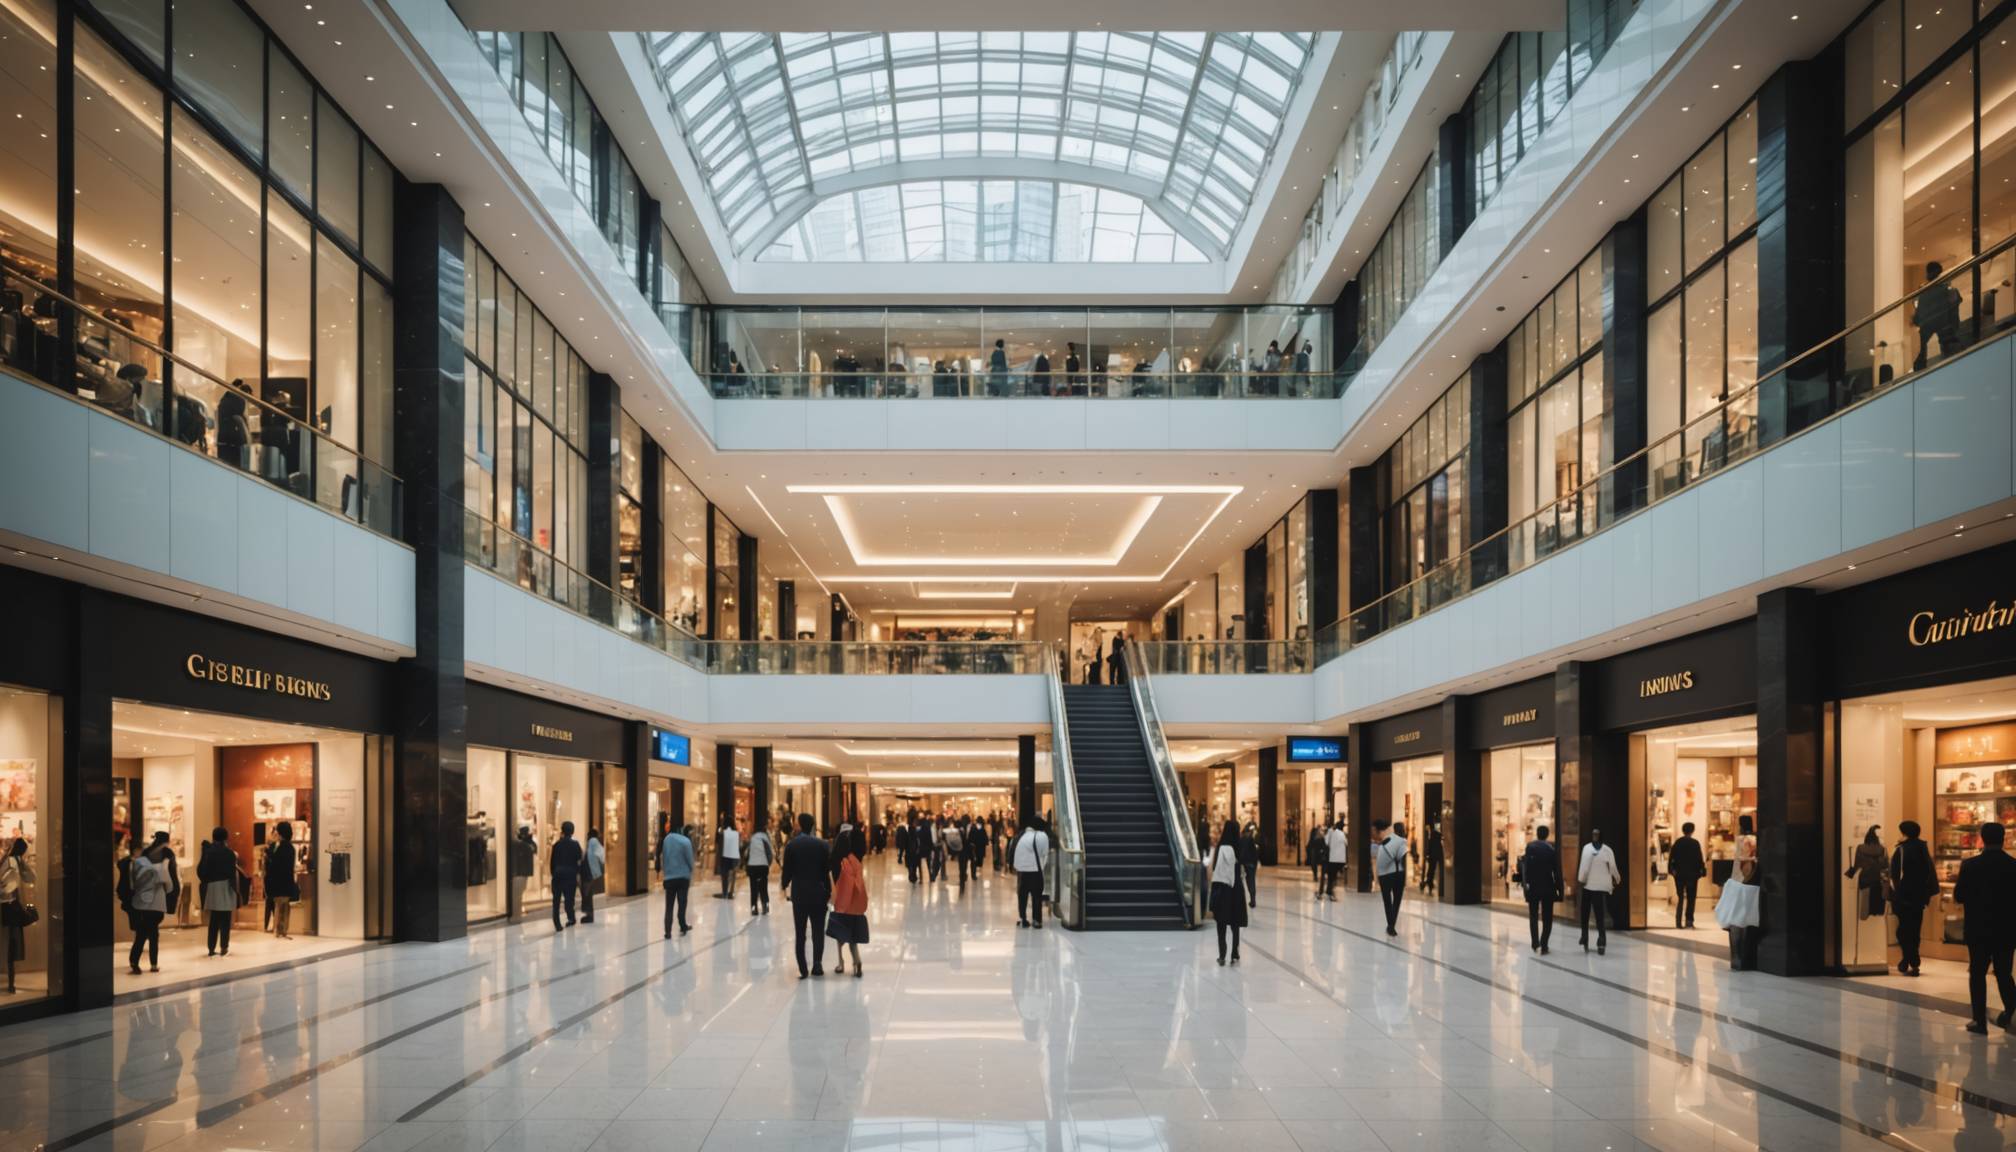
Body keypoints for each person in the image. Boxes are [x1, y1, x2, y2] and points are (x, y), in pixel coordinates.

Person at [1952, 820, 2016, 1034]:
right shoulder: (2013, 865)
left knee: (1978, 972)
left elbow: (1959, 896)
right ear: (2004, 839)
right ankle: (2010, 1015)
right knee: (2004, 973)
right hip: (2007, 927)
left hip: (1978, 926)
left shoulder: (1970, 865)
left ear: (1982, 837)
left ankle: (1979, 1021)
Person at [781, 813, 832, 978]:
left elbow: (787, 871)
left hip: (800, 896)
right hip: (818, 894)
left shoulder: (792, 846)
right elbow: (826, 872)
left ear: (799, 825)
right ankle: (817, 964)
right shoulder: (822, 845)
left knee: (800, 933)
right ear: (813, 826)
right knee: (818, 931)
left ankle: (803, 967)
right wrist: (829, 891)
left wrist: (783, 885)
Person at [1891, 820, 1938, 978]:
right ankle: (1911, 959)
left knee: (1903, 929)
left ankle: (1911, 958)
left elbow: (1895, 875)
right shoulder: (1922, 848)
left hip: (1904, 896)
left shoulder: (1902, 850)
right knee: (1914, 929)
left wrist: (1896, 893)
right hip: (1920, 896)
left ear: (1903, 832)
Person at [1716, 814, 1762, 969]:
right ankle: (1748, 959)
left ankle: (1737, 959)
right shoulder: (1757, 839)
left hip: (1740, 881)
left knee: (1736, 919)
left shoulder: (1741, 839)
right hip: (1754, 883)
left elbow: (1741, 861)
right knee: (1750, 919)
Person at [827, 828, 870, 977]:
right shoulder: (856, 861)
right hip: (856, 904)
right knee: (853, 937)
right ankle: (856, 961)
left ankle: (841, 963)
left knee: (840, 935)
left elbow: (834, 882)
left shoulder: (839, 862)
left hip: (842, 903)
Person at [1517, 824, 1564, 953]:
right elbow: (1556, 871)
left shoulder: (1530, 847)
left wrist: (1525, 887)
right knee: (1547, 917)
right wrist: (1560, 890)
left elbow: (1526, 870)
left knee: (1533, 915)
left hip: (1533, 887)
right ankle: (1544, 944)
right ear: (1547, 835)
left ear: (1537, 834)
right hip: (1548, 887)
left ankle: (1534, 942)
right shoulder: (1551, 849)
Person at [126, 841, 169, 974]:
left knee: (142, 933)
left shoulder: (134, 865)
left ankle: (134, 962)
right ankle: (154, 964)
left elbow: (132, 886)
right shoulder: (159, 868)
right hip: (154, 905)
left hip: (141, 904)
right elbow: (166, 885)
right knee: (153, 934)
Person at [1209, 820, 1247, 965]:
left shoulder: (1221, 847)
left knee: (1221, 922)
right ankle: (1235, 953)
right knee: (1235, 922)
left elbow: (1215, 869)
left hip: (1223, 888)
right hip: (1236, 889)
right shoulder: (1238, 846)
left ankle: (1222, 954)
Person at [1577, 828, 1621, 954]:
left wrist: (1617, 879)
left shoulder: (1606, 850)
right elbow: (1583, 866)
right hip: (1587, 886)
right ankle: (1585, 935)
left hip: (1598, 887)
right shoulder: (1588, 848)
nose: (1595, 836)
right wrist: (1581, 879)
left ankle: (1601, 939)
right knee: (1586, 914)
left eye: (1597, 834)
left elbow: (1612, 866)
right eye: (1593, 834)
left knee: (1598, 915)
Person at [1915, 260, 1964, 369]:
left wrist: (1918, 320)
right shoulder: (1947, 290)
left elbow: (1919, 315)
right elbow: (1956, 303)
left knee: (1924, 347)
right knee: (1947, 347)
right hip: (1945, 323)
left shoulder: (1924, 293)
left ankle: (1921, 364)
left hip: (1931, 324)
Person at [197, 827, 238, 956]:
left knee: (214, 920)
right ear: (226, 838)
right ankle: (224, 947)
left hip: (212, 887)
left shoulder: (208, 851)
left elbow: (201, 870)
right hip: (226, 886)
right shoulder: (229, 853)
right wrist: (235, 890)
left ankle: (211, 948)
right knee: (226, 919)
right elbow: (232, 873)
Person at [1, 837, 33, 990]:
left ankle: (11, 984)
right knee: (10, 947)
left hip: (10, 908)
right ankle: (11, 984)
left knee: (10, 947)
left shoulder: (11, 861)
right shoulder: (13, 862)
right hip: (10, 908)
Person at [1845, 825, 1889, 928]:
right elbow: (1885, 865)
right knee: (1876, 903)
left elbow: (1857, 865)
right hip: (1877, 879)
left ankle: (1864, 917)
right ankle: (1875, 913)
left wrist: (1849, 874)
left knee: (1864, 903)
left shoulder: (1860, 848)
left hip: (1864, 879)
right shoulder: (1881, 849)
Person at [1667, 822, 1705, 929]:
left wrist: (1671, 870)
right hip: (1692, 875)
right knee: (1691, 897)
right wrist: (1701, 870)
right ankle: (1689, 920)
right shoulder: (1695, 843)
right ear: (1692, 831)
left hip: (1679, 874)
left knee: (1680, 897)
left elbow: (1672, 857)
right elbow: (1699, 859)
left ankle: (1678, 920)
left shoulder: (1678, 843)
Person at [660, 821, 695, 937]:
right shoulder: (686, 842)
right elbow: (690, 860)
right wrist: (689, 872)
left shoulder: (667, 840)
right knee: (682, 902)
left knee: (669, 906)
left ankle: (668, 931)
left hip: (670, 877)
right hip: (682, 877)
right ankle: (682, 925)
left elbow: (664, 858)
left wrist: (666, 873)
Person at [1373, 819, 1408, 936]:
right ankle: (1391, 926)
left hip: (1384, 875)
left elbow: (1380, 858)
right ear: (1402, 831)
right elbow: (1403, 861)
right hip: (1398, 875)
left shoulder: (1386, 841)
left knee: (1387, 902)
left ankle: (1391, 926)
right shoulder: (1403, 842)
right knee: (1396, 901)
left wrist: (1379, 875)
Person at [1014, 817, 1050, 928]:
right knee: (1036, 896)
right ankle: (1037, 920)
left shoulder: (1022, 836)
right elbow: (1045, 853)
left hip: (1021, 871)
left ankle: (1023, 918)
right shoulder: (1041, 836)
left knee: (1023, 896)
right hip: (1035, 871)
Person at [266, 822, 299, 939]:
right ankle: (283, 930)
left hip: (277, 882)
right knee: (285, 907)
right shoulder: (290, 848)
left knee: (278, 907)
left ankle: (278, 931)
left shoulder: (278, 847)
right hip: (287, 882)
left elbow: (276, 865)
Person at [549, 820, 583, 931]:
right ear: (572, 831)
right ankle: (571, 918)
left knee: (556, 901)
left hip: (558, 876)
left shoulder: (557, 845)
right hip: (570, 876)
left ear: (562, 831)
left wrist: (553, 874)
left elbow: (553, 862)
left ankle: (557, 924)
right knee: (569, 900)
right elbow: (579, 859)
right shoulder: (576, 845)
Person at [746, 815, 774, 915]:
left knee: (753, 887)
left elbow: (748, 853)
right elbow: (769, 852)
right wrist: (768, 863)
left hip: (752, 865)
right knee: (763, 886)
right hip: (763, 865)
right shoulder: (765, 837)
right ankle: (765, 905)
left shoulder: (752, 838)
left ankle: (754, 907)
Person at [582, 828, 604, 923]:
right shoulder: (593, 842)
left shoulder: (592, 841)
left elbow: (601, 854)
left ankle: (588, 911)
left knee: (587, 891)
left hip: (589, 870)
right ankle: (588, 913)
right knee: (588, 892)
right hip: (591, 870)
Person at [716, 818, 741, 900]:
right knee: (733, 876)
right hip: (735, 856)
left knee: (725, 876)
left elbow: (720, 846)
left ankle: (724, 892)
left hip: (725, 856)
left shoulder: (723, 833)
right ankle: (731, 892)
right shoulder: (736, 833)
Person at [1237, 821, 1260, 908]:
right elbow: (1254, 852)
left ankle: (1251, 896)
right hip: (1251, 863)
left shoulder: (1241, 840)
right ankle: (1253, 898)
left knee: (1247, 880)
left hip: (1245, 863)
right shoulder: (1251, 840)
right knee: (1252, 880)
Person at [1323, 821, 1347, 900]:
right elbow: (1346, 844)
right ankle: (1331, 890)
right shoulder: (1342, 834)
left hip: (1332, 858)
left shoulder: (1332, 833)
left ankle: (1330, 890)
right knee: (1334, 876)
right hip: (1340, 859)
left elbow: (1326, 842)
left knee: (1331, 876)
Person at [1422, 821, 1443, 896]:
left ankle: (1430, 883)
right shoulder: (1432, 835)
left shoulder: (1434, 835)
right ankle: (1430, 883)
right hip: (1433, 855)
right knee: (1431, 870)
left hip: (1433, 855)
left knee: (1431, 870)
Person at [946, 818, 968, 884]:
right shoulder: (962, 830)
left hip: (962, 850)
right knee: (963, 865)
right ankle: (963, 876)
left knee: (961, 866)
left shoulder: (958, 832)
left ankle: (962, 878)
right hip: (964, 850)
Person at [1305, 823, 1326, 889]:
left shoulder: (1318, 836)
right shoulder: (1317, 836)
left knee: (1315, 864)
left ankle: (1316, 876)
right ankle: (1316, 876)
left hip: (1316, 852)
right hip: (1315, 852)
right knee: (1314, 864)